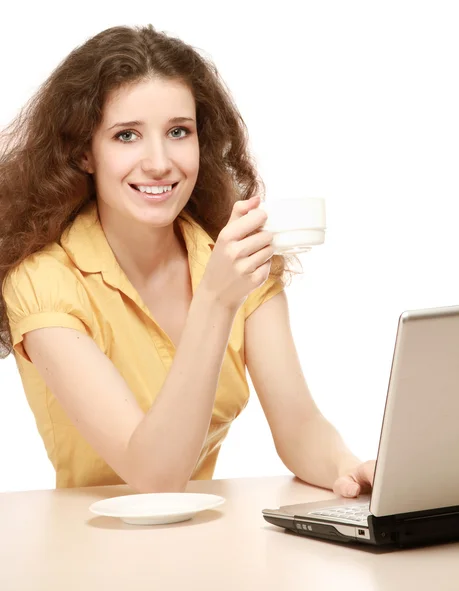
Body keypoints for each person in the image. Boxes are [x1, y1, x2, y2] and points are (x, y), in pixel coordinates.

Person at [0, 24, 374, 495]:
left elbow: (299, 427)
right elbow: (154, 475)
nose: (159, 162)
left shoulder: (235, 257)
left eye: (179, 131)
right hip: (87, 548)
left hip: (204, 538)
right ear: (84, 152)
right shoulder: (42, 281)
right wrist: (216, 302)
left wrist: (353, 468)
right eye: (126, 135)